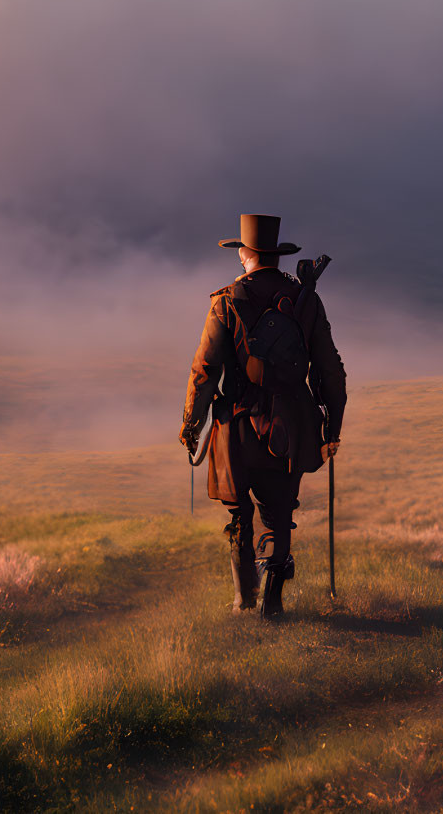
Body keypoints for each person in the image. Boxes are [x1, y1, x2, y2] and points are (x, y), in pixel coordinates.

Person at [180, 214, 346, 619]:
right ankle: (272, 602)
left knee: (240, 514)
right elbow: (330, 370)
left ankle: (243, 601)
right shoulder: (304, 300)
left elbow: (205, 371)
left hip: (236, 427)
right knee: (280, 511)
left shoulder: (226, 301)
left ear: (246, 255)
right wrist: (331, 428)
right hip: (290, 425)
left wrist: (191, 423)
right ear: (274, 255)